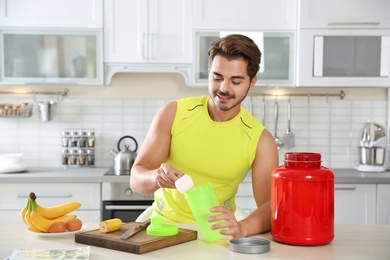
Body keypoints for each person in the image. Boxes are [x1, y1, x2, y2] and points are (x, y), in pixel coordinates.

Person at [130, 34, 278, 238]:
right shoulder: (173, 113)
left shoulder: (260, 140)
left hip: (217, 235)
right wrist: (156, 177)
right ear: (208, 73)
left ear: (252, 83)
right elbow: (136, 179)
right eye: (217, 78)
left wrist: (243, 228)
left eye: (236, 81)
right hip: (162, 230)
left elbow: (272, 206)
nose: (224, 88)